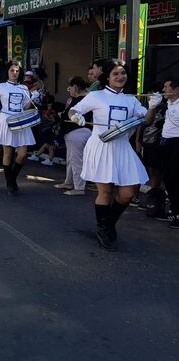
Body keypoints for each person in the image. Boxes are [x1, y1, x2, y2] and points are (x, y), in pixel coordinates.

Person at [69, 59, 148, 250]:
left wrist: (153, 106)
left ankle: (109, 222)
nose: (120, 77)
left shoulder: (131, 99)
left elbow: (146, 118)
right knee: (105, 191)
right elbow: (74, 109)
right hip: (101, 147)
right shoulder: (96, 96)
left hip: (122, 148)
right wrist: (76, 117)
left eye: (123, 73)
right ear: (107, 77)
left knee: (128, 192)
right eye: (115, 74)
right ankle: (103, 228)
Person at [0, 61, 35, 195]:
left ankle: (12, 178)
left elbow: (26, 107)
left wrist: (33, 98)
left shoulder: (23, 88)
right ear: (7, 72)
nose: (14, 73)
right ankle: (10, 182)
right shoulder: (1, 86)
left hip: (21, 121)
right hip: (6, 120)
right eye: (12, 70)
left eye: (17, 71)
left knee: (22, 154)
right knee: (8, 153)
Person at [146, 76, 179, 226]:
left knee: (174, 178)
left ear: (176, 90)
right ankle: (172, 208)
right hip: (164, 142)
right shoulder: (168, 104)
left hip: (176, 143)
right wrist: (153, 105)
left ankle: (177, 212)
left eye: (167, 87)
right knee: (167, 177)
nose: (164, 90)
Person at [55, 76, 92, 196]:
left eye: (69, 88)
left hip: (77, 131)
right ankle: (69, 182)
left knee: (76, 160)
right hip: (77, 132)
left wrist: (63, 114)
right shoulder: (82, 99)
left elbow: (68, 114)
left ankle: (79, 187)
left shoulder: (81, 100)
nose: (69, 90)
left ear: (75, 87)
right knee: (71, 159)